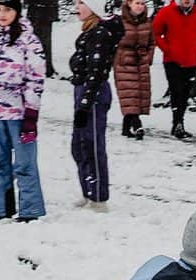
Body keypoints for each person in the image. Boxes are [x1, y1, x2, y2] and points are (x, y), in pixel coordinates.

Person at [0, 0, 47, 223]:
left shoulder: (29, 41)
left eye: (8, 9)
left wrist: (31, 114)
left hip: (19, 113)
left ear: (17, 12)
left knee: (24, 164)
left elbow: (36, 78)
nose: (2, 14)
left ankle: (30, 210)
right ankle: (1, 209)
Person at [70, 0, 124, 212]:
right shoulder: (89, 32)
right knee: (79, 146)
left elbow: (97, 72)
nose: (76, 7)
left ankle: (99, 197)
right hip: (83, 91)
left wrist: (85, 104)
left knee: (92, 145)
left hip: (92, 94)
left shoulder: (99, 34)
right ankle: (88, 190)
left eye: (81, 3)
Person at [152, 0, 196, 139]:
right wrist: (167, 49)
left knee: (184, 93)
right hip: (172, 61)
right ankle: (177, 123)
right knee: (176, 90)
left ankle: (179, 122)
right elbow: (156, 33)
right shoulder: (166, 12)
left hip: (191, 62)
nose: (186, 0)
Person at [114, 0, 154, 140]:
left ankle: (126, 128)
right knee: (129, 94)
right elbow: (113, 41)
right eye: (137, 3)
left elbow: (151, 42)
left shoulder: (147, 22)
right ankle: (137, 124)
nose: (140, 6)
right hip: (124, 62)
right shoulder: (119, 22)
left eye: (143, 3)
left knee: (136, 95)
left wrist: (148, 57)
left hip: (141, 61)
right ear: (129, 4)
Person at [26, 0, 60, 78]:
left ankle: (45, 68)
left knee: (44, 41)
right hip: (37, 10)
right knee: (35, 41)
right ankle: (40, 67)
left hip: (45, 11)